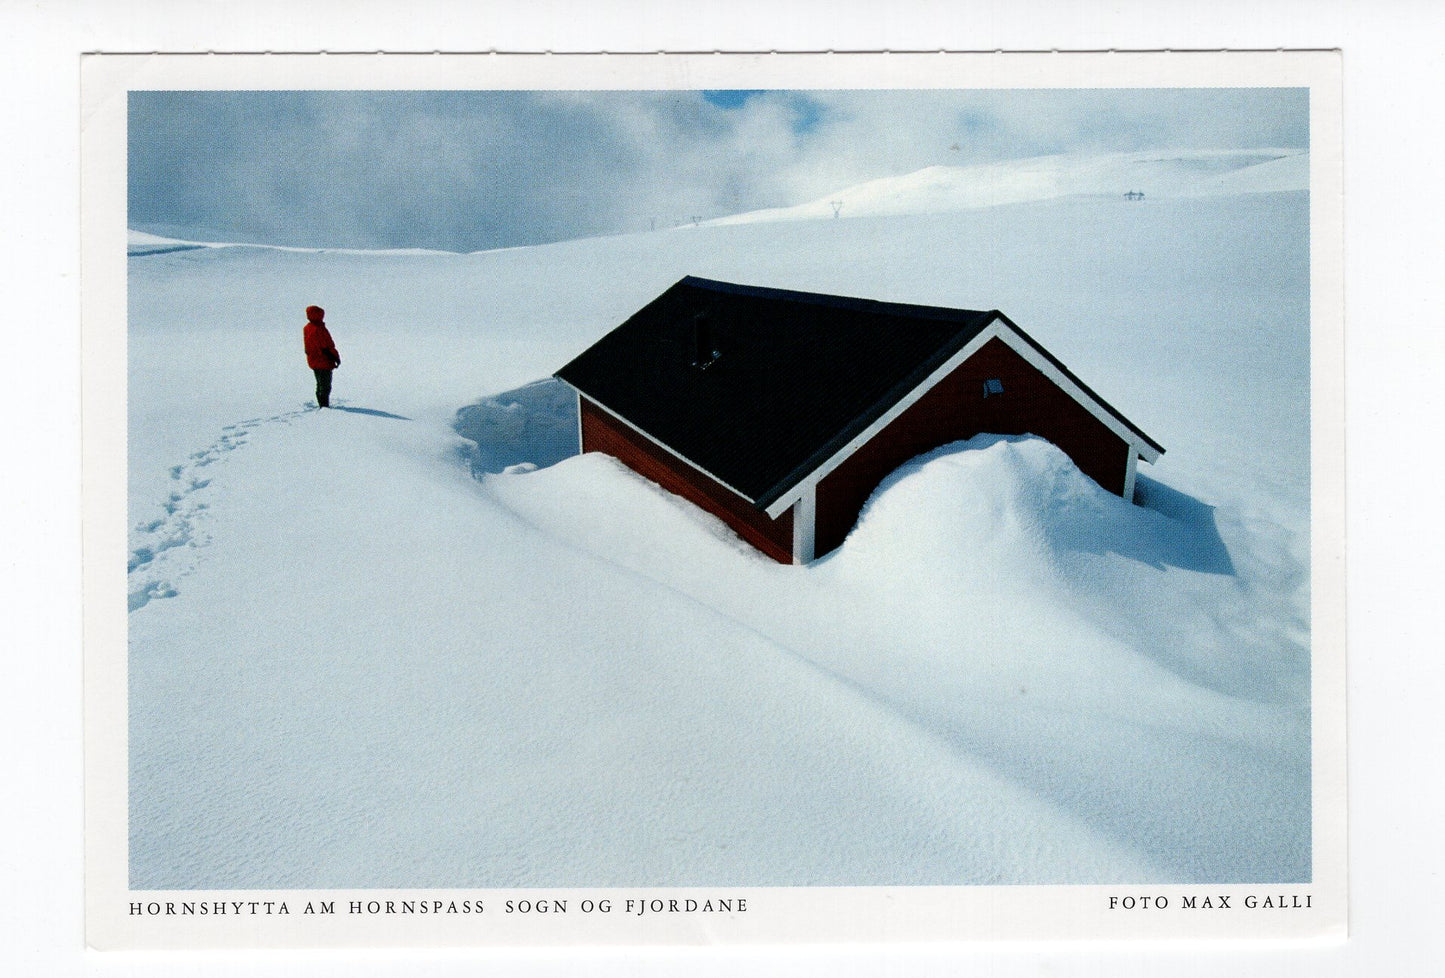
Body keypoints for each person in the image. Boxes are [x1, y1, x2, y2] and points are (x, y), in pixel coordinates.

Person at [302, 305, 341, 408]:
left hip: (314, 361)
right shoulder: (319, 329)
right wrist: (335, 357)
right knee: (325, 385)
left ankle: (322, 403)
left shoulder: (307, 328)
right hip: (324, 361)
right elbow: (326, 346)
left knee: (319, 384)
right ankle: (324, 406)